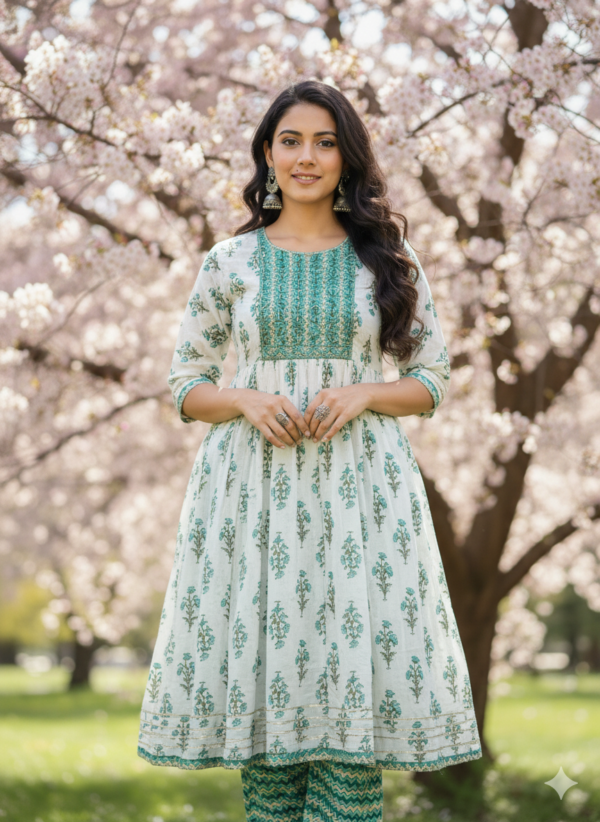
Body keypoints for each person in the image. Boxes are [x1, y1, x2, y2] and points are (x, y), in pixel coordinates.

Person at [137, 79, 482, 822]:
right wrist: (245, 399)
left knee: (347, 727)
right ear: (266, 153)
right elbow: (185, 384)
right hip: (252, 495)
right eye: (290, 141)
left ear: (347, 158)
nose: (306, 157)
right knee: (269, 723)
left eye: (325, 142)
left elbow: (432, 377)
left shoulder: (388, 257)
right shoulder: (229, 263)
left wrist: (363, 393)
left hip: (362, 497)